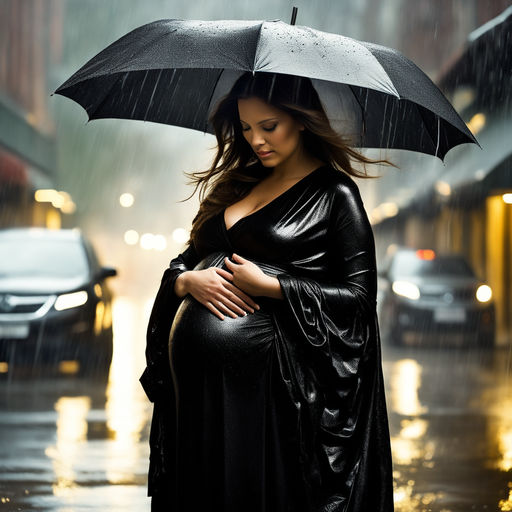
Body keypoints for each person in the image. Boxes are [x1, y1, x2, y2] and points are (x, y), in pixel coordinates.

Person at [140, 71, 395, 512]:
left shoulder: (336, 196)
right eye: (245, 128)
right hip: (196, 392)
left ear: (301, 119)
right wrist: (186, 282)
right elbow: (187, 257)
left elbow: (358, 301)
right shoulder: (235, 184)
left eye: (268, 126)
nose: (256, 139)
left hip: (270, 399)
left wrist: (274, 286)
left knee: (251, 494)